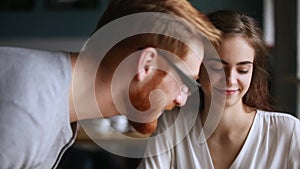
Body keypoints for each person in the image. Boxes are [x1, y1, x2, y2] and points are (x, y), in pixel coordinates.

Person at [0, 0, 221, 168]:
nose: (181, 99)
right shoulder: (27, 116)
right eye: (186, 83)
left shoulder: (49, 99)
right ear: (147, 64)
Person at [138, 10, 300, 169]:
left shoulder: (287, 131)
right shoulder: (171, 125)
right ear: (197, 67)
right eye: (217, 67)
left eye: (242, 70)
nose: (230, 79)